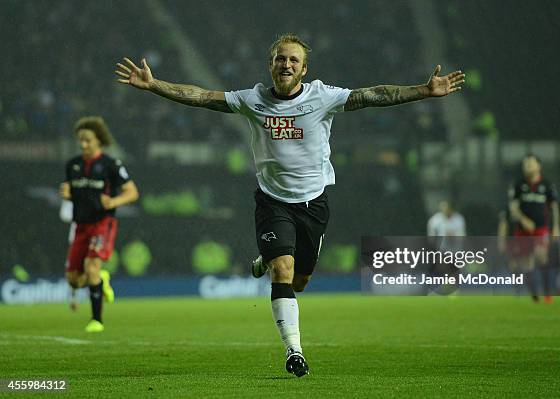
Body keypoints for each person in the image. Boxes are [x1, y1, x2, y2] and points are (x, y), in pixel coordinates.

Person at [116, 33, 464, 376]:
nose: (286, 64)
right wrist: (155, 84)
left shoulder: (322, 96)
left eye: (293, 59)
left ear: (304, 68)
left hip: (313, 205)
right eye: (280, 58)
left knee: (299, 281)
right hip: (273, 202)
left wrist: (424, 91)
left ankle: (265, 259)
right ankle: (293, 351)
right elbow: (202, 96)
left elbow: (372, 95)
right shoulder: (252, 99)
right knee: (283, 271)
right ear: (271, 65)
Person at [59, 116, 139, 332]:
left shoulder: (110, 165)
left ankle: (97, 321)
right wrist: (67, 195)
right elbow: (75, 194)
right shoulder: (73, 165)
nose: (83, 145)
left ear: (99, 140)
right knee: (74, 280)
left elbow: (132, 193)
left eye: (88, 140)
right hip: (81, 225)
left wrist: (113, 201)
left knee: (91, 267)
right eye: (81, 141)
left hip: (102, 223)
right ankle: (101, 280)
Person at [508, 154, 560, 303]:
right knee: (527, 262)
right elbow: (513, 207)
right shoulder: (518, 185)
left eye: (531, 164)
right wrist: (523, 220)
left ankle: (547, 293)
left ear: (538, 166)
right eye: (525, 164)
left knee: (541, 256)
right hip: (522, 231)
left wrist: (555, 227)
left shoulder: (547, 185)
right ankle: (534, 295)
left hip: (540, 229)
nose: (527, 167)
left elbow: (554, 208)